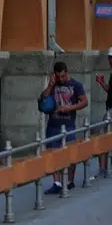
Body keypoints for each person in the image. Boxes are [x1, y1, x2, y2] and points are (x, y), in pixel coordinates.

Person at [40, 60, 87, 195]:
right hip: (53, 124)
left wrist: (70, 108)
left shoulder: (76, 85)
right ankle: (57, 182)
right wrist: (50, 84)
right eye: (58, 76)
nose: (61, 79)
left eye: (63, 76)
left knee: (70, 153)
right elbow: (43, 98)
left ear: (67, 73)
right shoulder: (53, 85)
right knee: (53, 153)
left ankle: (70, 181)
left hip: (68, 124)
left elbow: (84, 101)